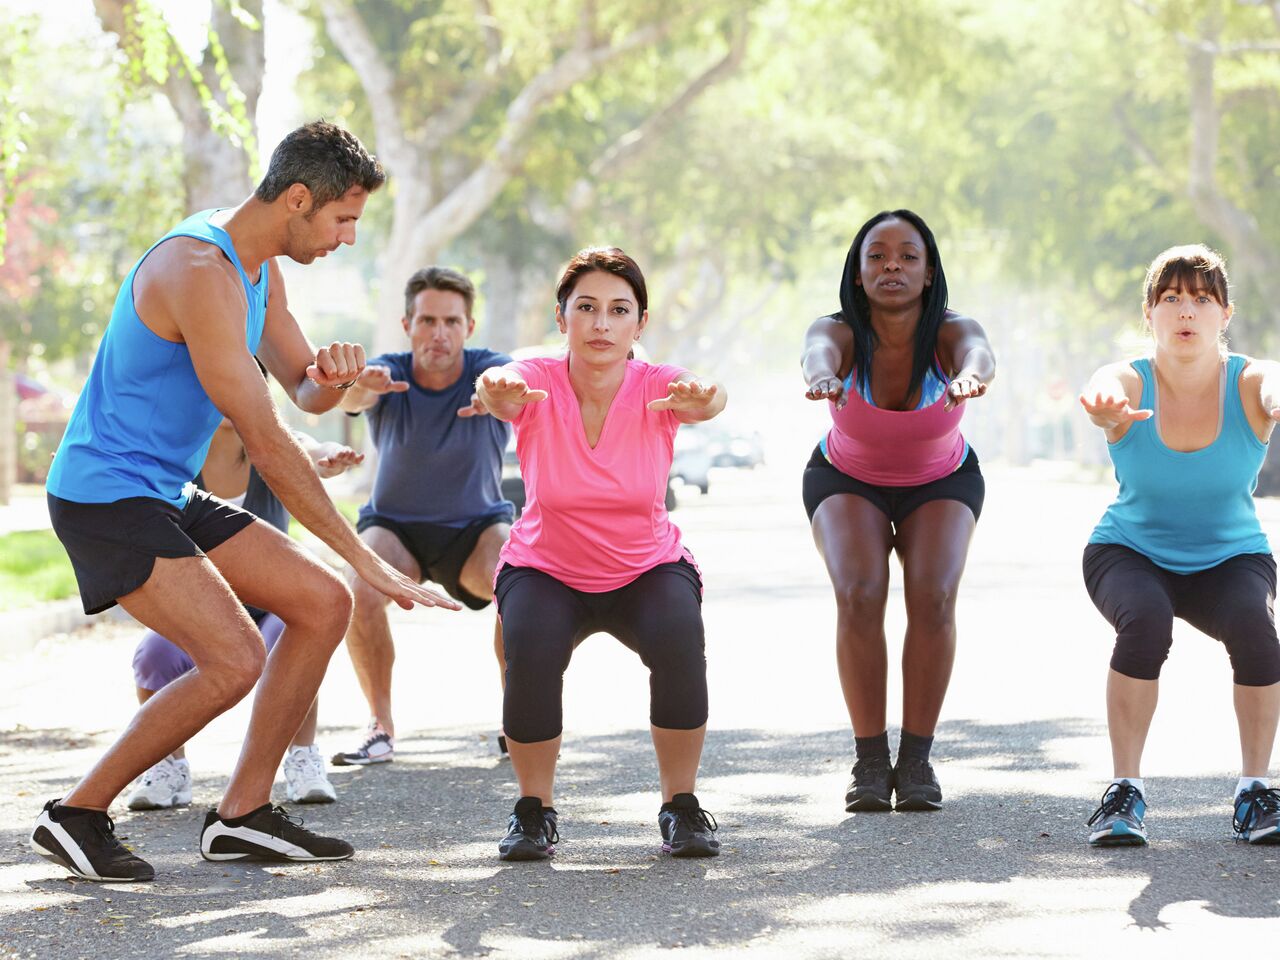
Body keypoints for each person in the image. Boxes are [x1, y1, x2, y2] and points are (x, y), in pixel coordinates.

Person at [32, 121, 459, 884]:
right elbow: (264, 437)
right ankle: (77, 813)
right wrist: (366, 556)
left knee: (323, 603)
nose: (349, 237)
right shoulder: (198, 269)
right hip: (106, 493)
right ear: (298, 199)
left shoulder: (261, 270)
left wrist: (335, 378)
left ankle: (243, 815)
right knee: (233, 658)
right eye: (342, 219)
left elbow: (301, 390)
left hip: (161, 487)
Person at [475, 247, 728, 861]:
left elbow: (708, 398)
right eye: (585, 308)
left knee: (678, 635)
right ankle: (533, 810)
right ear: (562, 317)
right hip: (546, 567)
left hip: (646, 566)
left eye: (619, 310)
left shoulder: (658, 385)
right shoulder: (534, 376)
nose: (601, 324)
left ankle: (681, 806)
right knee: (529, 649)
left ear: (640, 323)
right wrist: (495, 387)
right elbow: (498, 388)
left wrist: (706, 399)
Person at [1080, 244, 1280, 847]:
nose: (1185, 311)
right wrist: (1103, 405)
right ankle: (1125, 793)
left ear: (1225, 314)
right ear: (1150, 313)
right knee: (1145, 622)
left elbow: (1272, 378)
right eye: (1170, 298)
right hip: (1130, 551)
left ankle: (1255, 791)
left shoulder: (1249, 383)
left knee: (1256, 630)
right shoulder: (1129, 382)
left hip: (1230, 557)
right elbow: (1102, 383)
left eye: (1201, 298)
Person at [801, 209, 994, 813]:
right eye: (877, 256)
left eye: (908, 256)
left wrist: (969, 377)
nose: (892, 266)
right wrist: (821, 379)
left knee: (933, 596)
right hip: (844, 477)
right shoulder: (838, 331)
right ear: (857, 274)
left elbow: (979, 354)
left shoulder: (951, 331)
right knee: (860, 593)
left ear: (929, 271)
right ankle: (869, 760)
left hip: (941, 479)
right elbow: (815, 354)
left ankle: (915, 761)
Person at [127, 412, 362, 810]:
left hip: (272, 605)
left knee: (295, 642)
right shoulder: (177, 457)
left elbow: (311, 449)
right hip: (201, 607)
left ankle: (303, 757)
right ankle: (168, 766)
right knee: (154, 656)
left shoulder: (272, 448)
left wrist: (330, 455)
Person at [332, 266, 513, 766]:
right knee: (357, 589)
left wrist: (496, 397)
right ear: (407, 322)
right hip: (395, 531)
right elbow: (354, 397)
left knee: (522, 583)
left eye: (451, 321)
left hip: (476, 530)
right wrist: (357, 385)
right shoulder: (387, 372)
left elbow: (510, 391)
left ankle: (519, 721)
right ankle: (380, 727)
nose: (439, 333)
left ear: (469, 327)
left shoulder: (491, 368)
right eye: (428, 320)